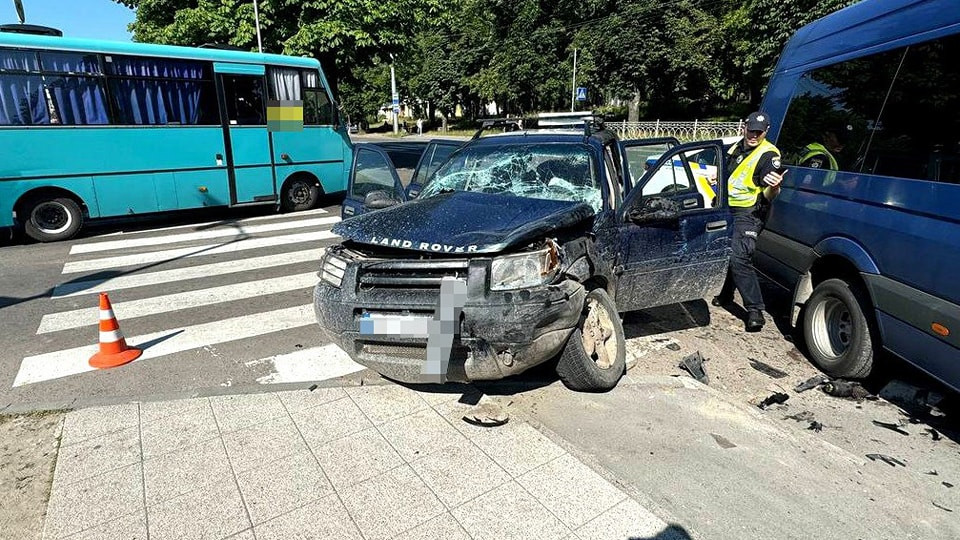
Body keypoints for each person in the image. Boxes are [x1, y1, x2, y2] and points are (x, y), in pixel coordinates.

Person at [712, 111, 786, 331]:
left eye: (759, 132)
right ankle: (726, 294)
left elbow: (768, 194)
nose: (754, 135)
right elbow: (731, 175)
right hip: (726, 208)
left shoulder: (768, 154)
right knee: (725, 251)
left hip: (749, 213)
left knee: (739, 256)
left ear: (766, 132)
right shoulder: (735, 147)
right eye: (751, 129)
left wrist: (774, 187)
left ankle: (755, 310)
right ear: (744, 127)